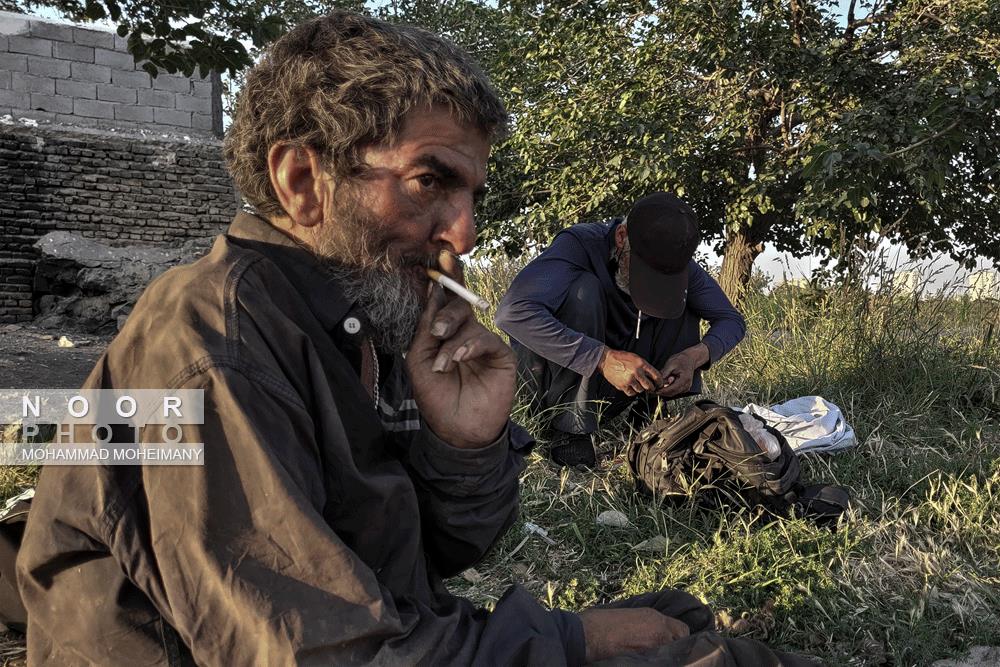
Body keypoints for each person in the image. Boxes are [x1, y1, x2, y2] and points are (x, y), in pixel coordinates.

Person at [16, 13, 808, 666]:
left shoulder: (366, 306)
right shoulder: (209, 345)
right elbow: (322, 654)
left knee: (675, 618)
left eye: (472, 194)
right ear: (301, 180)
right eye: (431, 181)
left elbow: (436, 558)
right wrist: (569, 637)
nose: (463, 233)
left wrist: (466, 442)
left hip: (378, 631)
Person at [495, 193, 746, 467]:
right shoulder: (578, 245)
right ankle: (567, 432)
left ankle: (650, 413)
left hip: (618, 389)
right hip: (548, 386)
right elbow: (513, 313)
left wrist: (694, 357)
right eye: (645, 270)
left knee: (680, 301)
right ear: (621, 236)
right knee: (584, 290)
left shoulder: (680, 267)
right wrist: (602, 358)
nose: (651, 284)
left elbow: (731, 321)